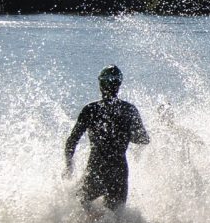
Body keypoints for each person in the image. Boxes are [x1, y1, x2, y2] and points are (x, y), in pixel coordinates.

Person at [64, 66, 151, 211]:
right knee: (117, 220)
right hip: (119, 170)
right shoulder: (129, 110)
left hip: (97, 167)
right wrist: (125, 133)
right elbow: (143, 139)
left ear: (100, 85)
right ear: (119, 85)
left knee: (75, 206)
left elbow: (72, 141)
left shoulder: (91, 109)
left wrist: (69, 165)